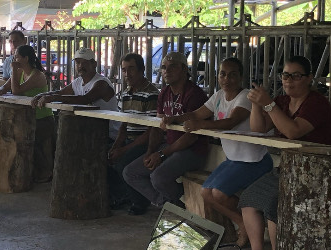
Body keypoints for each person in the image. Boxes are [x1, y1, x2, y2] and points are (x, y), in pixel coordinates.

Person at [239, 55, 331, 250]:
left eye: (296, 76)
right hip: (289, 168)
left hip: (318, 171)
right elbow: (258, 128)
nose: (288, 80)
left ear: (309, 78)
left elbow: (293, 131)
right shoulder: (281, 102)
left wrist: (268, 105)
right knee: (248, 198)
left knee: (274, 204)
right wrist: (257, 104)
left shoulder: (316, 103)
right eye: (285, 75)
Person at [164, 57, 271, 240]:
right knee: (206, 193)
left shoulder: (245, 97)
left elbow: (231, 122)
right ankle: (242, 222)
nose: (226, 79)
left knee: (219, 194)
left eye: (232, 75)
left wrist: (200, 125)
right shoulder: (219, 95)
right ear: (218, 76)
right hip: (233, 160)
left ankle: (247, 225)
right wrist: (175, 118)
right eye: (223, 74)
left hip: (254, 161)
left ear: (241, 77)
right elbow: (197, 113)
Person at [122, 51, 209, 214]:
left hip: (192, 150)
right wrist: (150, 152)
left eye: (172, 67)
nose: (166, 71)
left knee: (158, 177)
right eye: (163, 67)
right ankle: (172, 205)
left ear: (184, 69)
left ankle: (180, 209)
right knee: (130, 172)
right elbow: (156, 126)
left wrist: (161, 154)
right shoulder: (164, 93)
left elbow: (192, 136)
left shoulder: (195, 94)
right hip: (169, 146)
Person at [0, 43, 54, 182]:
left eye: (17, 56)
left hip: (42, 117)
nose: (14, 59)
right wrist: (0, 90)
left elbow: (17, 90)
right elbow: (7, 87)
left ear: (25, 58)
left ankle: (46, 174)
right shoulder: (20, 72)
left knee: (40, 148)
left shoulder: (37, 75)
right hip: (27, 117)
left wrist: (13, 70)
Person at [108, 53, 158, 210]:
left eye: (131, 69)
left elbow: (151, 131)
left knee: (123, 163)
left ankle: (140, 201)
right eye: (124, 70)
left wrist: (123, 150)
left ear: (142, 70)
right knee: (106, 157)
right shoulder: (125, 94)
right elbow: (124, 125)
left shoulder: (151, 94)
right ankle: (122, 196)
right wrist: (116, 146)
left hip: (146, 142)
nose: (127, 74)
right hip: (130, 140)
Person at [32, 47, 117, 117]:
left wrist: (53, 97)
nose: (80, 66)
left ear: (94, 64)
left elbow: (84, 99)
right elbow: (61, 92)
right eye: (78, 62)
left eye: (85, 63)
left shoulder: (101, 83)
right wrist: (41, 95)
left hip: (109, 133)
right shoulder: (78, 82)